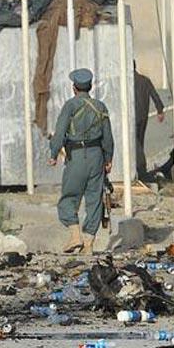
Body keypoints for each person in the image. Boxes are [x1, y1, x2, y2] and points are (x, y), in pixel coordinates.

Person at [48, 69, 114, 254]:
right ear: (90, 86)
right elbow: (108, 137)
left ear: (74, 88)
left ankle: (75, 235)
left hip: (76, 156)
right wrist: (108, 158)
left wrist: (53, 154)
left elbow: (60, 133)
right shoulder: (101, 107)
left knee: (69, 197)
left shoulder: (70, 106)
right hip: (96, 156)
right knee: (94, 199)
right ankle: (89, 244)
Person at [133, 61, 164, 181]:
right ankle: (139, 170)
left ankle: (141, 170)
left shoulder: (126, 82)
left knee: (135, 145)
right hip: (143, 117)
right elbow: (154, 95)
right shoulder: (145, 80)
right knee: (140, 142)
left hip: (131, 119)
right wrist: (160, 110)